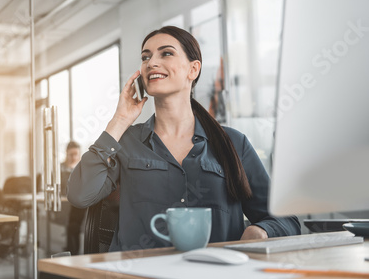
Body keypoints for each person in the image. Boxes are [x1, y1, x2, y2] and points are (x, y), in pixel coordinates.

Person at [67, 26, 301, 252]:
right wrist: (119, 120)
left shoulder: (233, 143)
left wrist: (260, 231)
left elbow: (285, 220)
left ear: (193, 69)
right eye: (145, 57)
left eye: (166, 53)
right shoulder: (126, 142)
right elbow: (80, 194)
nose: (152, 62)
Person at [60, 141, 86, 255]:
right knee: (71, 224)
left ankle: (73, 251)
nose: (74, 157)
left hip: (78, 201)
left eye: (76, 154)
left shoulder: (83, 167)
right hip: (64, 202)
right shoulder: (61, 168)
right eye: (71, 154)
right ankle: (71, 250)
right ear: (66, 154)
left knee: (73, 225)